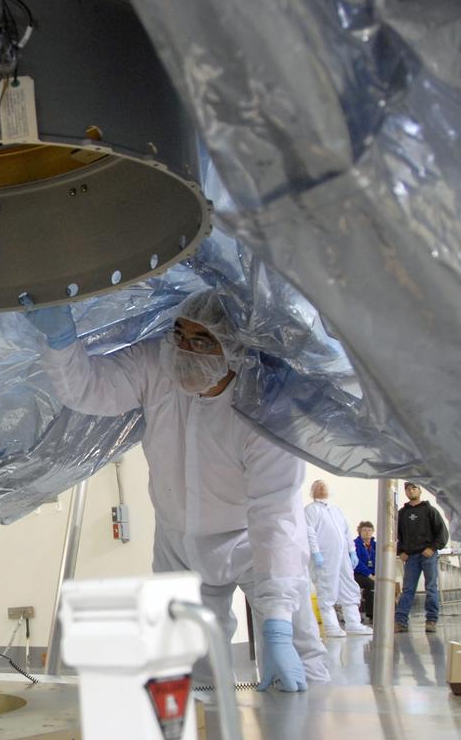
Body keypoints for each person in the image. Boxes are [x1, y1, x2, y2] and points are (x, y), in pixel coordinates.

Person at [23, 289, 329, 691]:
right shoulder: (158, 363)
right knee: (187, 677)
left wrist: (275, 628)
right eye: (179, 333)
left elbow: (274, 514)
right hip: (177, 542)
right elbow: (91, 388)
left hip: (253, 544)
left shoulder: (265, 408)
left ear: (235, 348)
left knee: (300, 664)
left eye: (202, 342)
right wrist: (61, 343)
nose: (183, 350)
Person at [305, 481, 372, 636]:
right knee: (327, 589)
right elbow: (309, 533)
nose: (321, 488)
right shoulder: (310, 510)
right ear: (312, 491)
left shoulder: (335, 510)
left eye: (324, 485)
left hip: (342, 558)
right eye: (318, 486)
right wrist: (316, 553)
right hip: (325, 557)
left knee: (349, 587)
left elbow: (346, 532)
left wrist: (352, 551)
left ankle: (353, 623)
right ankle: (331, 626)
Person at [394, 481, 448, 633]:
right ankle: (401, 621)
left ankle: (431, 620)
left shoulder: (430, 510)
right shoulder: (402, 514)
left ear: (420, 490)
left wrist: (432, 548)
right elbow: (395, 535)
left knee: (431, 588)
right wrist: (401, 551)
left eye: (414, 488)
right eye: (407, 489)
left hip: (428, 555)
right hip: (411, 557)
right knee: (408, 589)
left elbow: (442, 533)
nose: (410, 491)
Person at [353, 522, 376, 622]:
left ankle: (393, 613)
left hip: (373, 573)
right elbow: (357, 563)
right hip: (357, 574)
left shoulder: (375, 545)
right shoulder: (355, 544)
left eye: (369, 530)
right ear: (359, 532)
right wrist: (369, 574)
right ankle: (372, 615)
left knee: (387, 584)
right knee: (371, 584)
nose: (367, 533)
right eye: (364, 530)